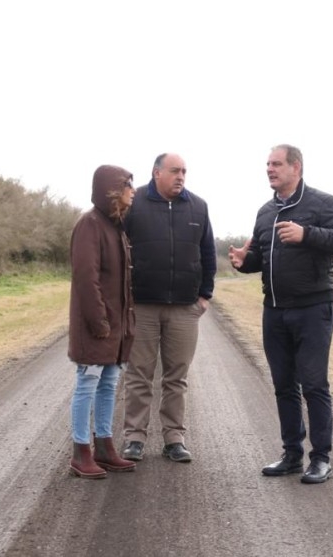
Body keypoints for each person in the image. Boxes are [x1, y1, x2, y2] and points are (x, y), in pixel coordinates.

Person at [229, 144, 333, 484]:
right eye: (267, 165)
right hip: (274, 310)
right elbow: (260, 258)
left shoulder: (321, 203)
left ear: (296, 168)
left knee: (314, 384)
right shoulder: (265, 212)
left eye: (276, 164)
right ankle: (291, 454)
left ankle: (322, 459)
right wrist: (244, 263)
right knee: (284, 384)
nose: (269, 170)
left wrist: (307, 234)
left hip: (313, 309)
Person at [121, 152, 217, 463]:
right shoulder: (133, 205)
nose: (181, 177)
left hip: (184, 308)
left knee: (177, 376)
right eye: (175, 171)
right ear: (156, 173)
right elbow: (117, 249)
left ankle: (174, 438)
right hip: (142, 306)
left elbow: (208, 254)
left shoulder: (198, 207)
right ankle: (134, 437)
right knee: (139, 374)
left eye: (184, 172)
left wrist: (204, 296)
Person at [67, 165, 137, 479]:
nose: (133, 191)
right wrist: (99, 322)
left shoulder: (116, 227)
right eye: (128, 185)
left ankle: (105, 447)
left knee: (109, 384)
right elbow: (86, 278)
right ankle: (81, 452)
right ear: (112, 189)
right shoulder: (90, 225)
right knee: (88, 382)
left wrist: (121, 324)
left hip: (115, 326)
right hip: (97, 325)